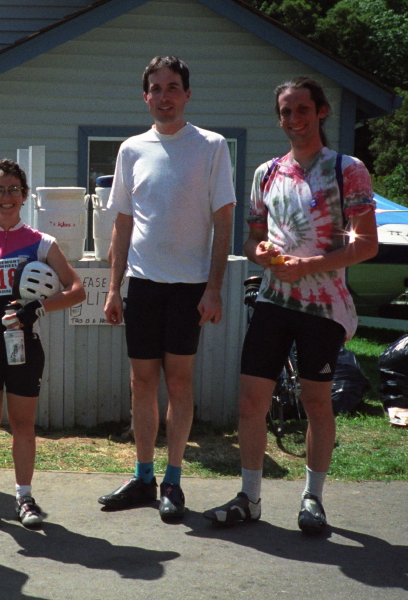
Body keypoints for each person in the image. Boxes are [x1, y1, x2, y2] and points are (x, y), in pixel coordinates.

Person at [203, 77, 378, 534]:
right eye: (285, 112)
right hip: (273, 301)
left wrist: (311, 264)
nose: (294, 119)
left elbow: (367, 245)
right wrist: (259, 253)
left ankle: (313, 499)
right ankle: (250, 497)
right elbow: (253, 237)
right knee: (250, 401)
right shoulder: (267, 172)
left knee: (316, 401)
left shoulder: (349, 169)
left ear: (321, 111)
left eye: (302, 109)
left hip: (324, 307)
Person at [98, 56, 236, 522]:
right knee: (141, 382)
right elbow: (121, 222)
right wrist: (114, 288)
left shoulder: (212, 146)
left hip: (190, 287)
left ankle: (173, 480)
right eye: (156, 89)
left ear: (187, 94)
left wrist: (213, 288)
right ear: (146, 97)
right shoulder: (131, 149)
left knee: (178, 382)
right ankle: (142, 477)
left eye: (173, 87)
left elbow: (224, 221)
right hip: (142, 283)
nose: (164, 96)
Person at [0, 158, 86, 529]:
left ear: (25, 195)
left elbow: (76, 290)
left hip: (25, 347)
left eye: (13, 189)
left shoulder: (42, 242)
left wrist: (39, 308)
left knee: (24, 425)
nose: (6, 196)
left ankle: (24, 497)